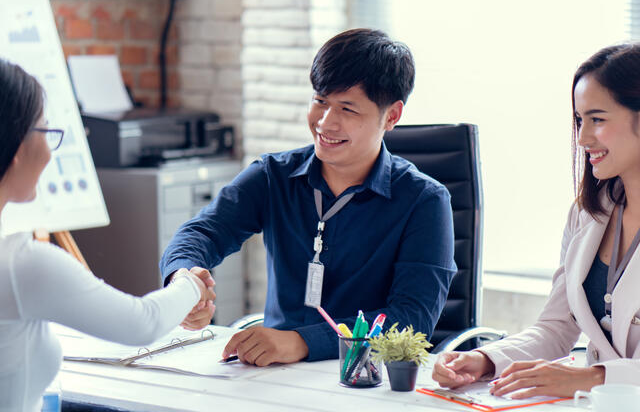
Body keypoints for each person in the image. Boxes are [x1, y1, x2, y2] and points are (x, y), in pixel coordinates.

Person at [160, 28, 457, 365]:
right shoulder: (274, 175)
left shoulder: (425, 201)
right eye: (320, 101)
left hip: (367, 378)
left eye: (347, 109)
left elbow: (412, 317)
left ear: (391, 116)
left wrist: (303, 342)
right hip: (271, 372)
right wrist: (183, 283)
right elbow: (200, 233)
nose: (325, 123)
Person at [0, 59, 216, 412]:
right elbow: (141, 322)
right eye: (46, 131)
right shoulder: (21, 265)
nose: (50, 154)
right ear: (17, 147)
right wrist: (191, 284)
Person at [432, 43, 640, 398]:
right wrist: (486, 358)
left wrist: (589, 377)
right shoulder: (588, 213)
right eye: (579, 120)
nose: (582, 138)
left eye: (597, 119)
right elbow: (556, 327)